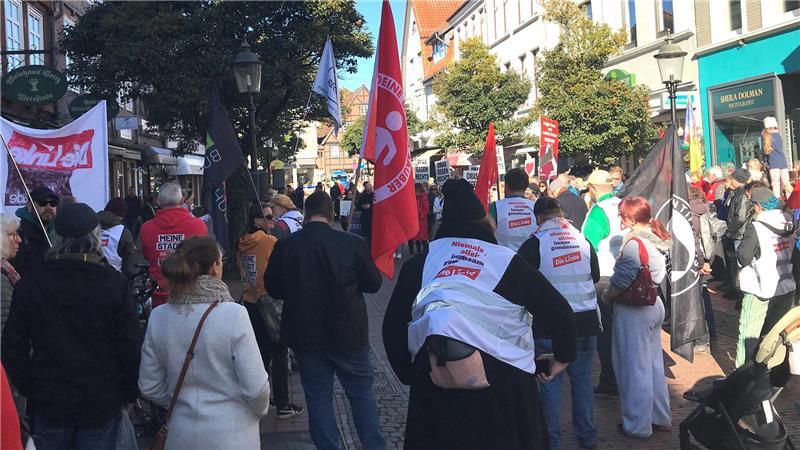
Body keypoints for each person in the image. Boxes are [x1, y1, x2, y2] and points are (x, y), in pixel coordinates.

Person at [382, 179, 577, 449]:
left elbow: (392, 327)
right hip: (504, 389)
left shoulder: (421, 264)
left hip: (437, 382)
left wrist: (410, 373)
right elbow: (560, 312)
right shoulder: (507, 261)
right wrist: (563, 356)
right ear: (485, 223)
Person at [2, 203, 140, 450]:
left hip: (50, 401)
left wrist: (30, 387)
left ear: (57, 237)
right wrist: (128, 392)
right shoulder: (114, 284)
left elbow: (14, 345)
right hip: (100, 401)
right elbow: (129, 345)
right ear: (95, 237)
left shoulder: (32, 283)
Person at [264, 192, 385, 450]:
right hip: (349, 332)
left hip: (306, 334)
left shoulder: (286, 245)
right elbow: (374, 283)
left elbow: (272, 288)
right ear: (331, 214)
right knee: (361, 395)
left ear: (306, 214)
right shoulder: (351, 243)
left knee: (318, 397)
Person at [139, 237, 270, 450]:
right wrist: (255, 411)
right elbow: (256, 388)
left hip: (181, 434)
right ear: (215, 267)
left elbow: (149, 385)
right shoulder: (234, 314)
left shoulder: (159, 316)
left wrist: (180, 403)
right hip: (233, 433)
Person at [518, 197, 600, 450]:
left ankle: (551, 442)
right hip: (586, 321)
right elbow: (594, 275)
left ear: (539, 218)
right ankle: (588, 438)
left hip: (549, 325)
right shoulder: (581, 239)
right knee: (582, 381)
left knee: (549, 384)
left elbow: (522, 283)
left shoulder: (535, 243)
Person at [602, 196, 672, 439]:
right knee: (652, 364)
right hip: (654, 303)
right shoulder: (655, 237)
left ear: (630, 219)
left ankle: (637, 425)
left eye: (622, 216)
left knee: (633, 368)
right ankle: (659, 416)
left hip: (635, 308)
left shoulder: (633, 243)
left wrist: (608, 295)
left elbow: (622, 278)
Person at [238, 204, 304, 419]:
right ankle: (283, 403)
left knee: (260, 353)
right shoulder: (269, 241)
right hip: (269, 300)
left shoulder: (242, 242)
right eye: (267, 217)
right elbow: (282, 269)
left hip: (250, 301)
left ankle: (261, 396)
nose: (272, 221)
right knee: (279, 349)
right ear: (257, 220)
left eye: (272, 217)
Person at [735, 187, 796, 367]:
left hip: (760, 288)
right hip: (786, 285)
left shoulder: (757, 227)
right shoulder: (788, 222)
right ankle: (766, 371)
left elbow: (743, 257)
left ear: (758, 206)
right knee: (773, 334)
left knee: (749, 334)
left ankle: (741, 376)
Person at [581, 169, 628, 396]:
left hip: (605, 278)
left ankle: (610, 381)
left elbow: (587, 245)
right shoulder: (625, 205)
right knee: (625, 330)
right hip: (628, 274)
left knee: (607, 333)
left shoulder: (598, 211)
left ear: (592, 189)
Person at [140, 182, 208, 307]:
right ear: (182, 200)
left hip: (160, 294)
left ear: (158, 201)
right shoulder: (198, 226)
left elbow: (146, 254)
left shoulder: (146, 228)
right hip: (191, 293)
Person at [689, 187, 717, 351]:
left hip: (696, 260)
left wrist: (700, 262)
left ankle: (702, 339)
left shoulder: (690, 213)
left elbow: (695, 240)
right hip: (706, 257)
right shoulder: (704, 208)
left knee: (697, 298)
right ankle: (711, 330)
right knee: (703, 294)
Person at [722, 168, 754, 302]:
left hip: (738, 234)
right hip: (734, 233)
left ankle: (742, 294)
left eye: (733, 178)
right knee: (733, 264)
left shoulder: (742, 195)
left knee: (740, 265)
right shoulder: (735, 192)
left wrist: (730, 229)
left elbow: (740, 217)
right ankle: (735, 290)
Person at [11, 186, 58, 276]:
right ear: (29, 206)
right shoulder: (19, 235)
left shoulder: (60, 234)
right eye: (42, 203)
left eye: (53, 203)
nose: (49, 207)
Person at [490, 168, 538, 251]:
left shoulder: (495, 207)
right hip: (530, 258)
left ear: (506, 186)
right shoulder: (536, 206)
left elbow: (487, 233)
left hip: (504, 258)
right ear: (526, 185)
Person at [98, 197, 137, 277]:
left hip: (92, 276)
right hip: (115, 279)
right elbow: (128, 264)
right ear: (121, 215)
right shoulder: (123, 232)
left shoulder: (92, 226)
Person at [1, 214, 22, 333]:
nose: (19, 240)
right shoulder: (2, 279)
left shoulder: (6, 270)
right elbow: (5, 324)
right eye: (12, 234)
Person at [762, 116, 791, 199]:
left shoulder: (767, 137)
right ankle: (791, 201)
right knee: (786, 183)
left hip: (774, 163)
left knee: (776, 184)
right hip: (783, 162)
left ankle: (778, 202)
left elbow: (765, 153)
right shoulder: (778, 136)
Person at [409, 183, 429, 255]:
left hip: (421, 221)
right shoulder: (412, 196)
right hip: (414, 220)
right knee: (415, 238)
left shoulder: (423, 197)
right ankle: (416, 252)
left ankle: (423, 252)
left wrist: (420, 216)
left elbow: (426, 209)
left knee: (423, 238)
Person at [356, 181, 375, 246]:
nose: (369, 187)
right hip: (365, 218)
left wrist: (370, 206)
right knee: (366, 235)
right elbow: (358, 206)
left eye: (370, 185)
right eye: (367, 186)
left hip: (373, 218)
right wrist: (362, 206)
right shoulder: (362, 196)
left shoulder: (375, 195)